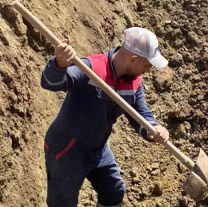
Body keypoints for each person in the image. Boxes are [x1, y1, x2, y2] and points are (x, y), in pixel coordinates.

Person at [41, 27, 170, 207]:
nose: (148, 70)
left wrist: (153, 129)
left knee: (114, 191)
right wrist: (59, 65)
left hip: (98, 149)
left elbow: (140, 113)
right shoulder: (91, 68)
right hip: (67, 150)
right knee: (62, 203)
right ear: (133, 60)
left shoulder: (134, 82)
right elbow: (50, 83)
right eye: (147, 65)